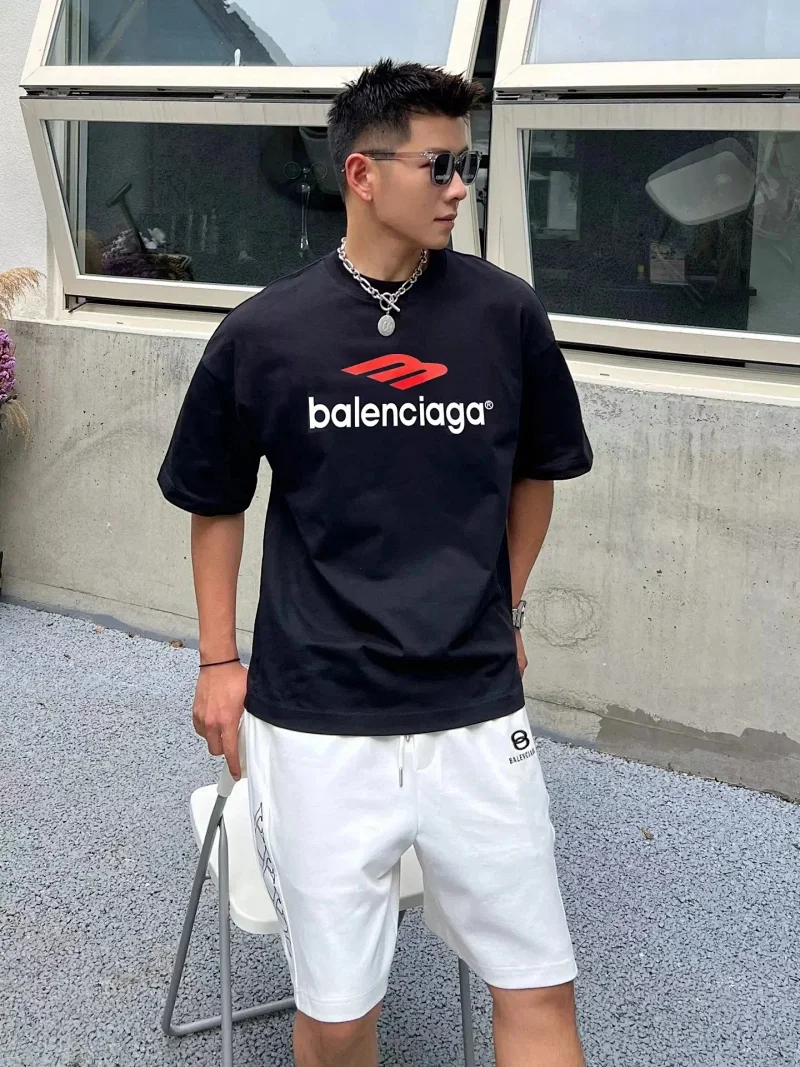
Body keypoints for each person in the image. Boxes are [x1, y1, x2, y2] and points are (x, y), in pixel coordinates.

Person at [157, 58, 593, 1067]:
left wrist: (506, 611)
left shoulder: (505, 315)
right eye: (440, 165)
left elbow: (537, 472)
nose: (459, 187)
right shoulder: (265, 332)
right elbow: (216, 500)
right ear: (362, 173)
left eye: (467, 164)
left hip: (474, 706)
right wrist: (218, 659)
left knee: (537, 987)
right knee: (341, 1014)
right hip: (317, 714)